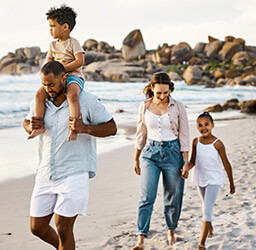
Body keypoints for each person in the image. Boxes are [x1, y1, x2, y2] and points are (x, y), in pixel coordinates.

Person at [23, 61, 117, 250]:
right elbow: (26, 122)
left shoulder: (87, 100)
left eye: (52, 84)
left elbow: (112, 128)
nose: (48, 89)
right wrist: (30, 126)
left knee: (64, 228)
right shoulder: (41, 102)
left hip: (75, 171)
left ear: (64, 79)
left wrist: (86, 128)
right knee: (37, 227)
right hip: (46, 172)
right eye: (44, 85)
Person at [132, 72, 189, 249]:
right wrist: (136, 157)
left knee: (173, 196)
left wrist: (186, 161)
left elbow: (185, 135)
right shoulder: (144, 106)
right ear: (152, 89)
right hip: (150, 153)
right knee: (146, 197)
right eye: (159, 93)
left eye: (166, 93)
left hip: (173, 153)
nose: (163, 96)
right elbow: (141, 133)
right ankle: (141, 236)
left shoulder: (178, 106)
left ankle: (171, 230)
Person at [28, 5, 85, 142]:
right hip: (57, 78)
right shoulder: (52, 45)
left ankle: (74, 128)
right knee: (39, 94)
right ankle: (38, 126)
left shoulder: (73, 43)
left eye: (53, 26)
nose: (50, 30)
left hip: (73, 77)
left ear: (65, 27)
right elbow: (48, 62)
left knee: (72, 95)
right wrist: (50, 70)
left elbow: (80, 61)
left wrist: (62, 68)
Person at [181, 112, 236, 250]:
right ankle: (209, 225)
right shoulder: (195, 142)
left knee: (206, 209)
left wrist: (231, 182)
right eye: (200, 125)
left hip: (214, 179)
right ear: (196, 127)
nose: (203, 127)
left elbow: (226, 164)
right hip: (200, 177)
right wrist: (186, 168)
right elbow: (193, 162)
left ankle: (202, 243)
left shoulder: (218, 144)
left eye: (206, 124)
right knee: (205, 205)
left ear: (212, 125)